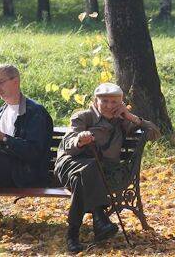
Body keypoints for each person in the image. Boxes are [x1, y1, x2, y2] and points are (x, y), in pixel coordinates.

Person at [55, 82, 161, 253]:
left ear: (121, 103)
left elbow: (155, 133)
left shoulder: (122, 121)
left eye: (114, 102)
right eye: (104, 101)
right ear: (95, 100)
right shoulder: (83, 117)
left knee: (81, 178)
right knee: (88, 168)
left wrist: (131, 117)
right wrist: (80, 140)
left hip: (93, 172)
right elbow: (68, 145)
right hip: (70, 164)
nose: (109, 106)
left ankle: (73, 234)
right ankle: (99, 217)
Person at [0, 64, 54, 188]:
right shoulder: (1, 111)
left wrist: (4, 138)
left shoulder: (35, 112)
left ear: (16, 81)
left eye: (0, 82)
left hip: (21, 174)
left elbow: (34, 152)